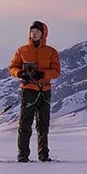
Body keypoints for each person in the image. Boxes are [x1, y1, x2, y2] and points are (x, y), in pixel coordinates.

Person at [10, 20, 61, 162]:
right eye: (32, 31)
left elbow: (56, 71)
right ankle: (23, 156)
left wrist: (43, 74)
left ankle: (43, 155)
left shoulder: (51, 52)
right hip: (28, 90)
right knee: (24, 124)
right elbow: (13, 67)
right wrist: (20, 74)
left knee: (43, 125)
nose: (34, 34)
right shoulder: (22, 50)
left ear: (43, 34)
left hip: (44, 91)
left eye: (37, 31)